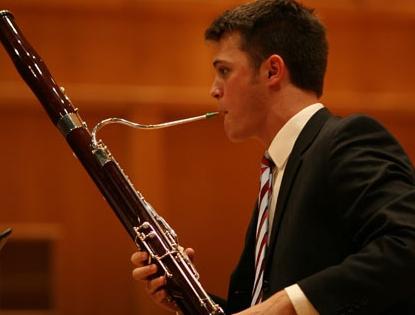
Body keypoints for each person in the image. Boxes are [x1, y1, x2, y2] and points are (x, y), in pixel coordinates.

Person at [131, 0, 415, 314]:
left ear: (272, 71)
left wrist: (286, 303)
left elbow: (407, 245)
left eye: (224, 71)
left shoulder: (346, 140)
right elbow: (254, 308)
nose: (214, 90)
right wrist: (186, 297)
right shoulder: (278, 169)